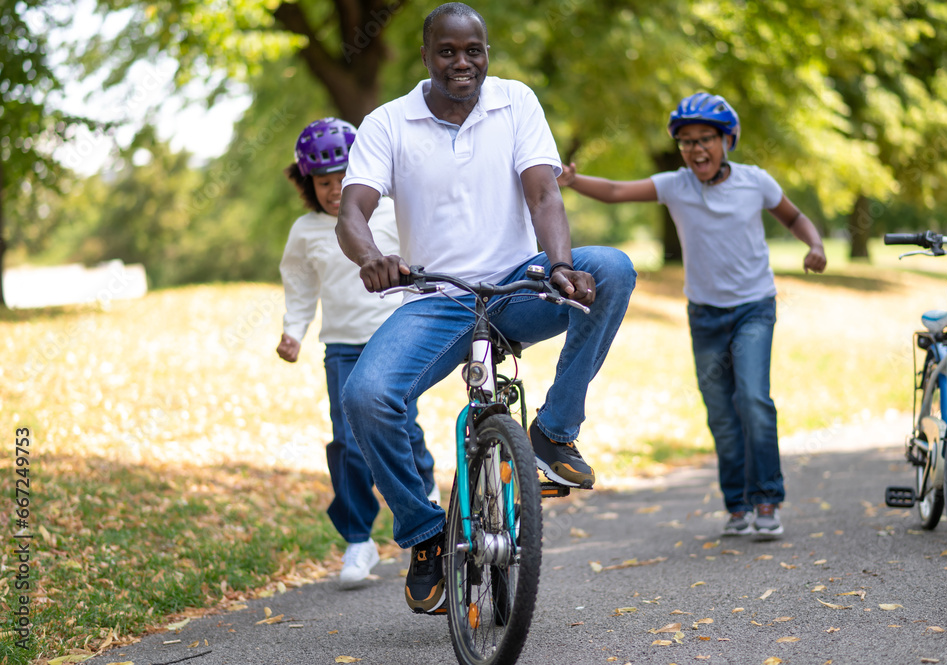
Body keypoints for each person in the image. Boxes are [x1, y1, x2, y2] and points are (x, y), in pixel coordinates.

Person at [336, 2, 636, 614]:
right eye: (447, 51)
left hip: (519, 285)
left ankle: (554, 433)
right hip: (438, 298)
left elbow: (544, 193)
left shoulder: (515, 101)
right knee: (365, 396)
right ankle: (424, 533)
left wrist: (559, 265)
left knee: (612, 268)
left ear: (486, 53)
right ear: (425, 55)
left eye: (473, 50)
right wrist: (371, 257)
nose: (462, 63)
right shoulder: (388, 123)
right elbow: (351, 212)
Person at [556, 92, 827, 540]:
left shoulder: (755, 182)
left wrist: (814, 244)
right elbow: (618, 192)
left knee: (753, 400)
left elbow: (794, 217)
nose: (696, 149)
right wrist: (574, 180)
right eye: (686, 142)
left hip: (754, 309)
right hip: (705, 316)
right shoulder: (676, 186)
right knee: (720, 414)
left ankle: (766, 498)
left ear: (727, 141)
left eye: (705, 139)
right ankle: (737, 506)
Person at [277, 117, 439, 589]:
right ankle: (358, 539)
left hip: (397, 339)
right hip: (342, 349)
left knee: (403, 427)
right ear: (307, 183)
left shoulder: (392, 211)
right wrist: (293, 332)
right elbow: (300, 287)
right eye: (323, 183)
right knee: (347, 442)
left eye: (342, 179)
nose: (334, 191)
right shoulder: (306, 231)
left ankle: (425, 497)